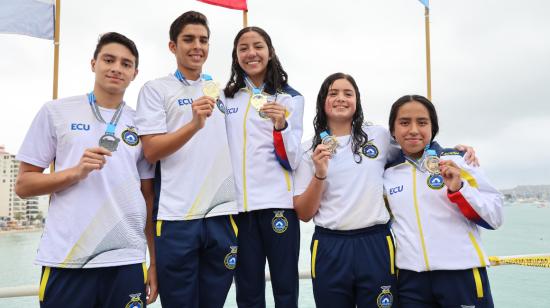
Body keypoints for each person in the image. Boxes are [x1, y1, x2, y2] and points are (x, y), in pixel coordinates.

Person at [15, 32, 157, 307]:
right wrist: (74, 173)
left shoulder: (142, 123)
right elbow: (23, 185)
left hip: (126, 259)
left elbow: (148, 197)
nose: (117, 68)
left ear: (134, 73)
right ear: (93, 63)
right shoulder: (56, 111)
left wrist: (154, 262)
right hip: (68, 260)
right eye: (109, 59)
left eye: (126, 64)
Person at [135, 11, 238, 308]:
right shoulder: (156, 90)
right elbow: (152, 150)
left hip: (221, 215)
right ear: (172, 46)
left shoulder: (223, 92)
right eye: (189, 39)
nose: (197, 46)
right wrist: (193, 124)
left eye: (203, 40)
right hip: (176, 218)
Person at [384, 94, 503, 308]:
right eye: (404, 122)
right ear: (393, 130)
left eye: (422, 122)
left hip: (461, 275)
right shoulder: (387, 172)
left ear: (433, 127)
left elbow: (494, 216)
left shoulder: (459, 160)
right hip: (411, 281)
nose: (413, 130)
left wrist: (459, 189)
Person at [293, 73, 397, 308]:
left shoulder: (378, 136)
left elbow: (416, 147)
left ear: (357, 101)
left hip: (375, 241)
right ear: (323, 101)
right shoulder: (307, 150)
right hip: (330, 245)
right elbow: (304, 213)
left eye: (348, 93)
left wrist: (455, 151)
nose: (341, 98)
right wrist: (320, 173)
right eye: (333, 93)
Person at [222, 26, 304, 308]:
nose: (251, 53)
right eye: (243, 48)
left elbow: (293, 158)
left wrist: (281, 125)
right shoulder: (225, 98)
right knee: (247, 291)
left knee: (285, 289)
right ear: (235, 55)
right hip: (238, 208)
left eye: (257, 46)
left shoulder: (290, 97)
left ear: (270, 52)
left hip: (278, 204)